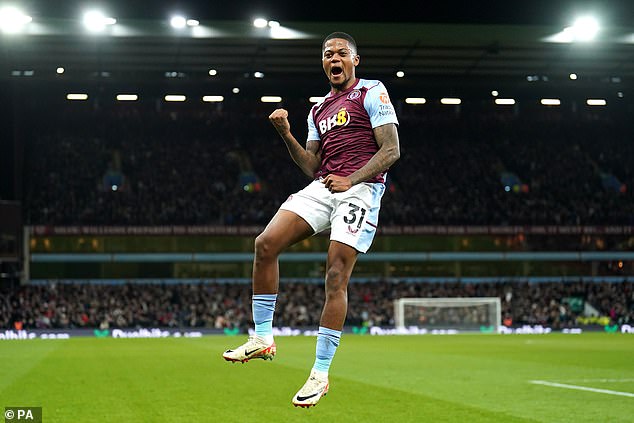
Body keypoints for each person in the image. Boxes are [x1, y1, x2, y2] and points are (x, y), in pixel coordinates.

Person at [222, 31, 400, 408]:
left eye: (341, 53)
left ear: (354, 60)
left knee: (335, 274)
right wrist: (286, 133)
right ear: (323, 63)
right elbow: (311, 165)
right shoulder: (317, 110)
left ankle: (320, 373)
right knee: (265, 244)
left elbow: (392, 149)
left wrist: (352, 178)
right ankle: (263, 338)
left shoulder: (372, 91)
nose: (334, 59)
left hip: (361, 188)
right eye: (327, 54)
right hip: (325, 185)